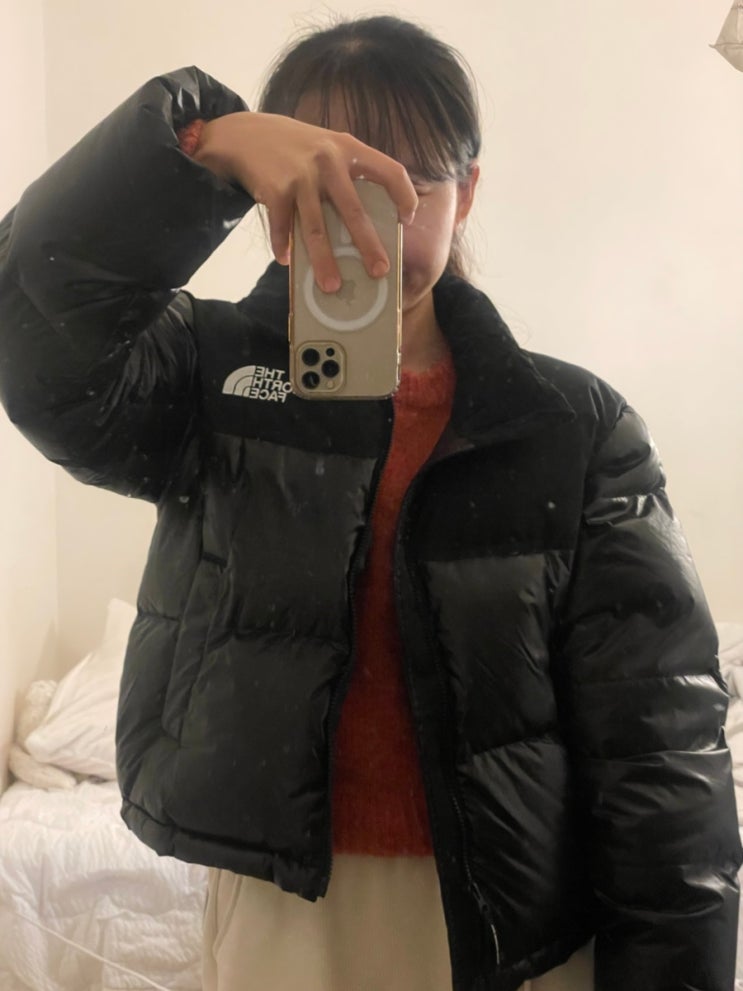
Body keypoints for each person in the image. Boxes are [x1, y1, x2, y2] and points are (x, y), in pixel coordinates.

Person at [0, 14, 740, 991]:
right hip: (283, 909)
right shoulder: (202, 380)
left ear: (466, 192)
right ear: (267, 195)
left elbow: (658, 745)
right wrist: (201, 142)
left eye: (406, 182)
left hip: (517, 922)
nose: (363, 219)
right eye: (332, 177)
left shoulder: (571, 426)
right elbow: (31, 323)